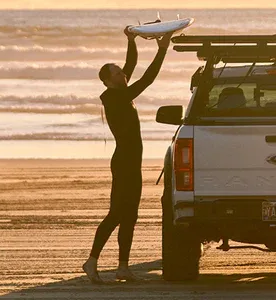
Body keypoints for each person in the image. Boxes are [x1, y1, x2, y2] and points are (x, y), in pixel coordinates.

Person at [82, 28, 171, 283]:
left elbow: (131, 63)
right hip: (123, 164)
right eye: (118, 72)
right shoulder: (116, 97)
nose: (123, 73)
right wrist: (162, 49)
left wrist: (131, 40)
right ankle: (91, 260)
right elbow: (149, 79)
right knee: (117, 214)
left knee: (130, 216)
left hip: (132, 163)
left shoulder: (120, 88)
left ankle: (123, 267)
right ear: (108, 80)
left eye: (121, 72)